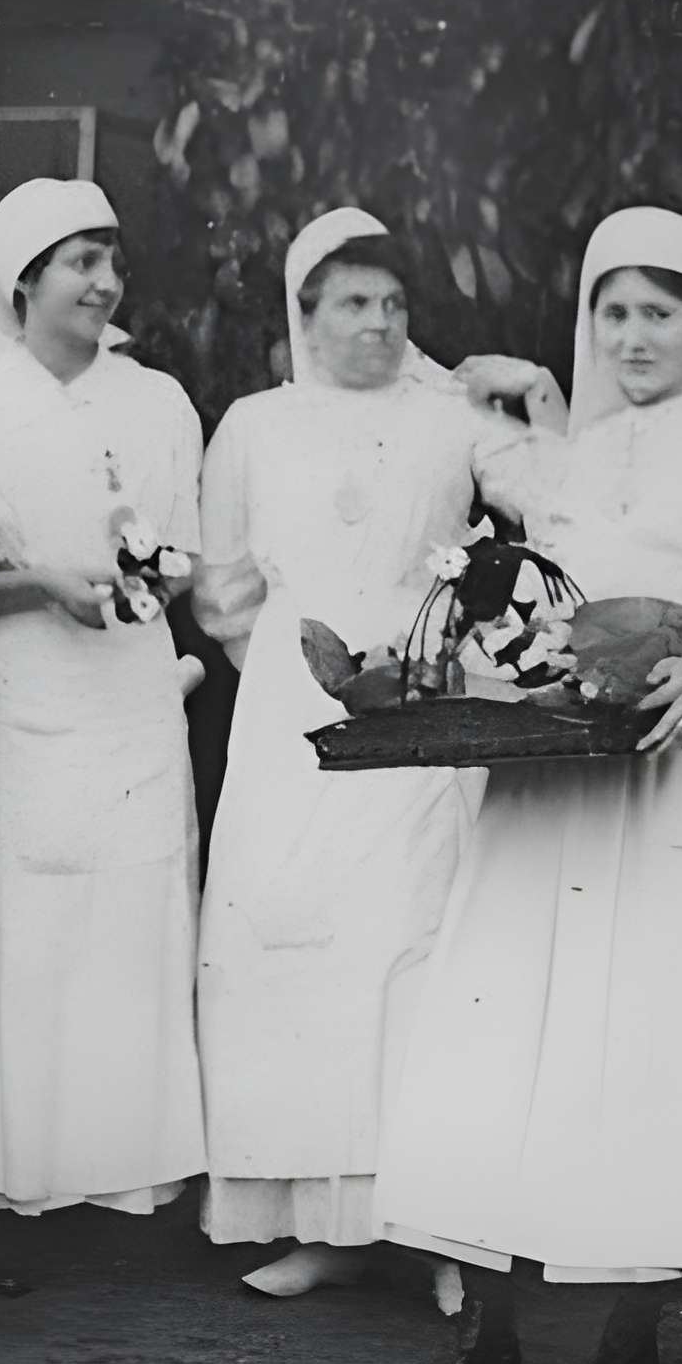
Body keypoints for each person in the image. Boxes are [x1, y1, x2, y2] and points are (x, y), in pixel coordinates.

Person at [376, 208, 682, 1364]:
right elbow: (541, 582)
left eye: (659, 313)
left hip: (673, 785)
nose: (632, 336)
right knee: (510, 1043)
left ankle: (629, 1353)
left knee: (639, 1053)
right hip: (549, 785)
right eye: (612, 313)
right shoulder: (575, 452)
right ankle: (488, 1341)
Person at [192, 208, 497, 1298]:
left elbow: (522, 525)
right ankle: (320, 1220)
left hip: (419, 711)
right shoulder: (255, 426)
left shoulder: (453, 417)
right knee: (295, 952)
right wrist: (291, 669)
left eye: (392, 303)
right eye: (350, 303)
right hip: (291, 715)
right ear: (304, 316)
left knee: (412, 939)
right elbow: (223, 587)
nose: (374, 323)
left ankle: (436, 1231)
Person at [0, 178, 210, 1220]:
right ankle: (3, 1171)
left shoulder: (157, 399)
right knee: (18, 924)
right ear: (21, 281)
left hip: (131, 693)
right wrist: (42, 586)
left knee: (126, 918)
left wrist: (157, 575)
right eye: (78, 262)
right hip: (17, 692)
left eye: (110, 259)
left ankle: (125, 1169)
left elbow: (182, 542)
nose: (103, 282)